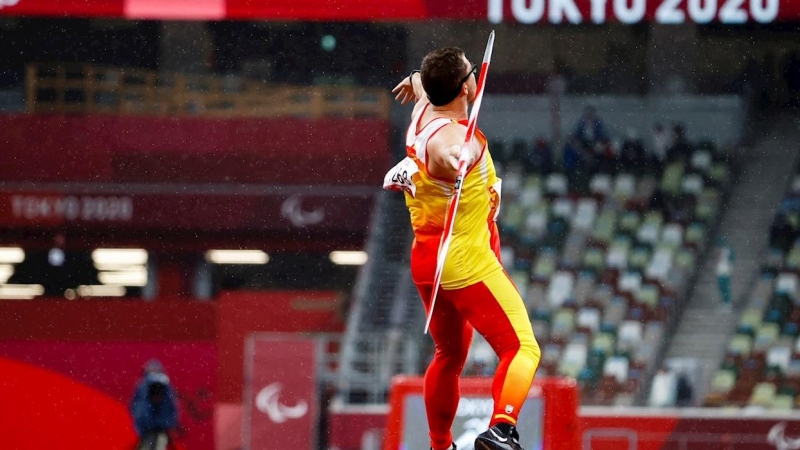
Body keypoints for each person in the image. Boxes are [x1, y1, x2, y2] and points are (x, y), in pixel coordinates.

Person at [386, 47, 541, 450]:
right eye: (471, 70)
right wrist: (461, 157)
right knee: (521, 347)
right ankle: (502, 429)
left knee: (449, 355)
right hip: (465, 261)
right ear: (466, 85)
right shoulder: (453, 138)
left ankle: (441, 445)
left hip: (427, 259)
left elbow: (424, 85)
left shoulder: (423, 107)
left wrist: (416, 76)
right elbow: (451, 150)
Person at [130, 359, 180, 450]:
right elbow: (136, 407)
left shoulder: (165, 386)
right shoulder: (142, 387)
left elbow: (170, 407)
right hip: (147, 430)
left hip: (158, 430)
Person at [716, 238, 735, 310]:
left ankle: (727, 303)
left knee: (725, 288)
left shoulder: (728, 250)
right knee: (721, 288)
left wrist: (729, 270)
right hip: (720, 271)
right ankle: (724, 302)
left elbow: (731, 261)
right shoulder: (722, 250)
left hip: (725, 271)